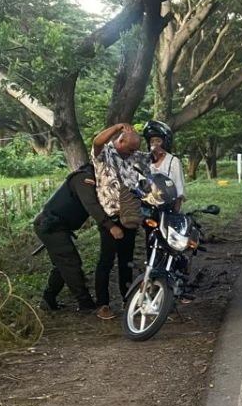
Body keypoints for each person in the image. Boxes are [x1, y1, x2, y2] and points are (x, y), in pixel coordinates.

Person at [91, 123, 151, 320]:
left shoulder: (135, 157)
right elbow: (97, 141)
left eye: (135, 149)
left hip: (130, 215)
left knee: (127, 261)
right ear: (120, 141)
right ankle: (103, 303)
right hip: (110, 216)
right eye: (130, 148)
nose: (133, 152)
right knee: (106, 260)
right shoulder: (104, 154)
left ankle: (128, 298)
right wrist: (116, 127)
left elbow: (153, 163)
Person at [32, 164, 109, 313]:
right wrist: (109, 225)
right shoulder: (84, 179)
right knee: (70, 263)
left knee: (63, 264)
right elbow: (91, 205)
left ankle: (48, 300)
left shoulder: (91, 179)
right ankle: (85, 303)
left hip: (57, 225)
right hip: (51, 225)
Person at [143, 119, 184, 212]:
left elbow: (179, 188)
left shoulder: (173, 161)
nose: (155, 144)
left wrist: (176, 210)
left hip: (169, 206)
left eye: (158, 141)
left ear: (165, 143)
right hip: (149, 206)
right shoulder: (146, 161)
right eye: (152, 141)